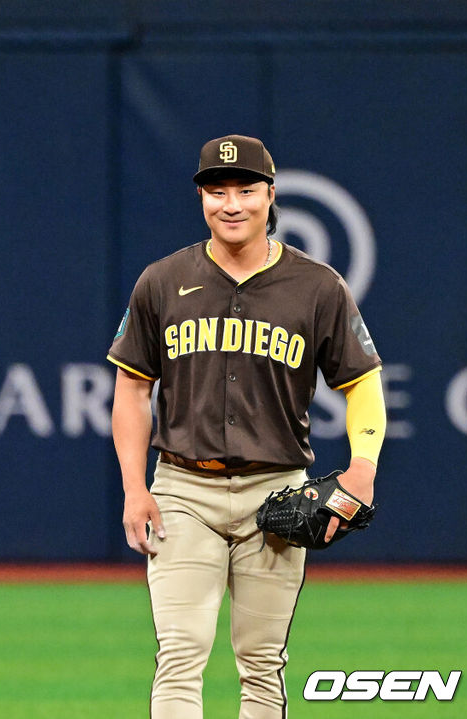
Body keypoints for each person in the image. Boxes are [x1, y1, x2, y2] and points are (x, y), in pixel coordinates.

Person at [107, 134, 385, 718]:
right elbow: (133, 388)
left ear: (270, 195)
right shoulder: (161, 280)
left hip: (276, 491)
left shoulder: (317, 286)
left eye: (245, 190)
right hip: (182, 490)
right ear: (202, 198)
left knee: (262, 666)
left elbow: (361, 383)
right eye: (216, 191)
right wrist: (135, 487)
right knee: (180, 655)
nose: (231, 204)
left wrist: (362, 469)